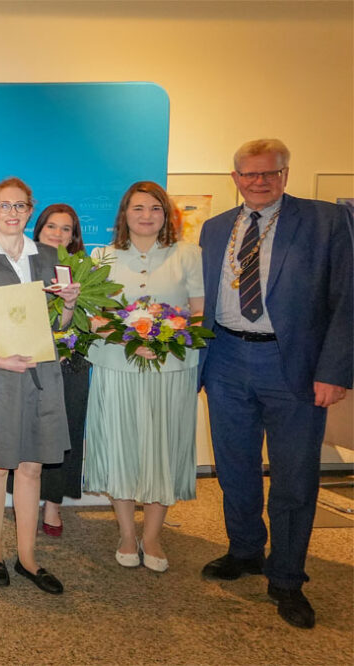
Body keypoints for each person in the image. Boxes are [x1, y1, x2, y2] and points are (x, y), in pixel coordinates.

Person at [199, 138, 352, 629]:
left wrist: (334, 370)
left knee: (293, 477)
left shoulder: (326, 222)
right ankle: (245, 549)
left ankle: (287, 578)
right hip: (225, 357)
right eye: (249, 174)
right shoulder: (215, 227)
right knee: (234, 467)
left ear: (286, 174)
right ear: (235, 178)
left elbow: (347, 300)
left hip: (294, 366)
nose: (258, 182)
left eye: (269, 173)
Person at [0, 177, 80, 595]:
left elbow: (59, 323)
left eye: (20, 206)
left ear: (29, 210)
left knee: (32, 467)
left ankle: (27, 557)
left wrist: (72, 303)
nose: (12, 213)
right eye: (4, 206)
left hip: (42, 372)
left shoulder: (49, 256)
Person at [82, 182, 203, 574]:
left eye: (155, 208)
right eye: (138, 208)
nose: (146, 215)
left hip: (171, 371)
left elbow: (198, 314)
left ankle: (152, 535)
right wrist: (128, 339)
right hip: (117, 367)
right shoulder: (102, 255)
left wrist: (165, 341)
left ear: (166, 213)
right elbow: (93, 315)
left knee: (161, 450)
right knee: (122, 448)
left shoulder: (188, 254)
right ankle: (126, 533)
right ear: (125, 214)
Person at [6, 204, 90, 536]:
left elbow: (94, 319)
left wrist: (67, 347)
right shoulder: (23, 266)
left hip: (71, 365)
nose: (57, 233)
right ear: (38, 230)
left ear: (74, 236)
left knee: (64, 436)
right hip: (31, 365)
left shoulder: (86, 270)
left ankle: (53, 504)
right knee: (25, 434)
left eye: (66, 228)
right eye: (51, 227)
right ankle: (25, 500)